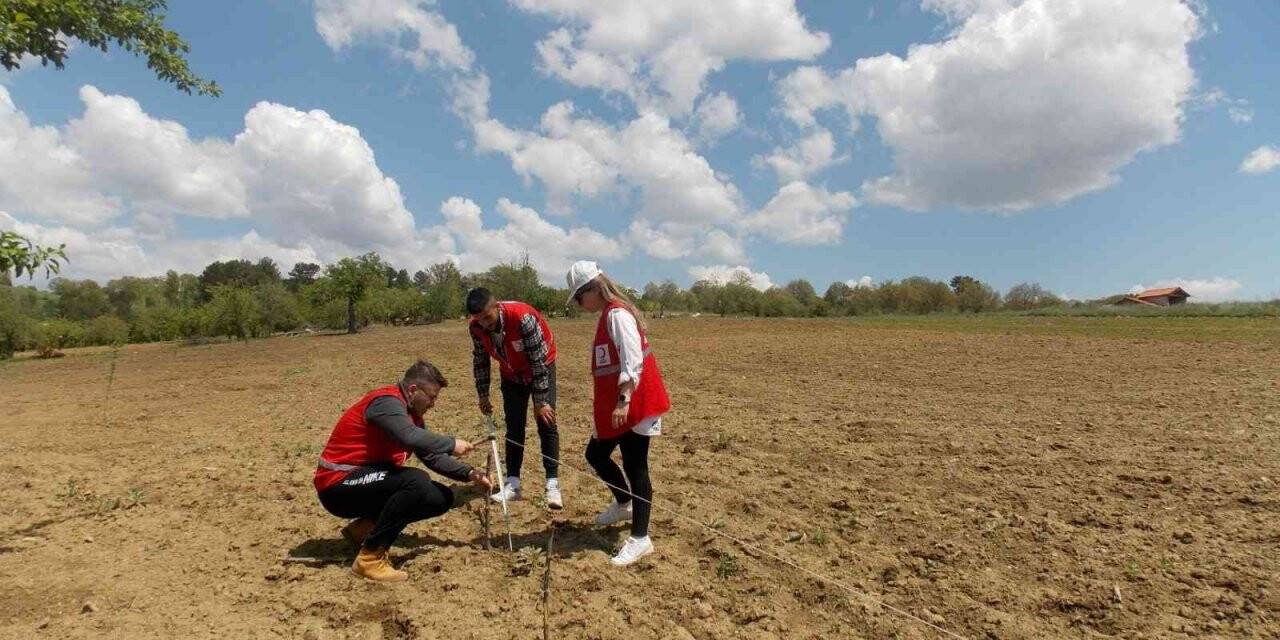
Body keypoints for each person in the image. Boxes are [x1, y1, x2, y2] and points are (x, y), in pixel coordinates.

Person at [313, 359, 490, 582]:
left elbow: (431, 456)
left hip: (364, 479)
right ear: (414, 389)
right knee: (416, 481)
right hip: (337, 484)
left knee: (440, 497)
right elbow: (409, 436)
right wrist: (451, 443)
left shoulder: (411, 416)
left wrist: (469, 473)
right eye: (432, 396)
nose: (433, 404)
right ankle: (370, 559)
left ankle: (362, 530)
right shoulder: (386, 403)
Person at [565, 261, 671, 567]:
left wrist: (623, 400)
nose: (577, 304)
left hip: (635, 403)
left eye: (578, 297)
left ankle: (640, 539)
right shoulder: (606, 315)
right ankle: (624, 503)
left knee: (637, 466)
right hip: (621, 405)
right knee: (595, 454)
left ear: (593, 290)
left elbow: (632, 359)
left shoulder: (618, 315)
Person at [466, 287, 563, 509]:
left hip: (541, 366)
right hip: (511, 374)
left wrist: (541, 402)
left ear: (496, 307)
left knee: (546, 421)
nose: (485, 324)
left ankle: (552, 484)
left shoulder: (522, 318)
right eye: (479, 320)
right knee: (514, 427)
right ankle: (513, 484)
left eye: (488, 318)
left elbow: (539, 362)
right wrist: (483, 393)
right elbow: (480, 360)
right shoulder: (476, 329)